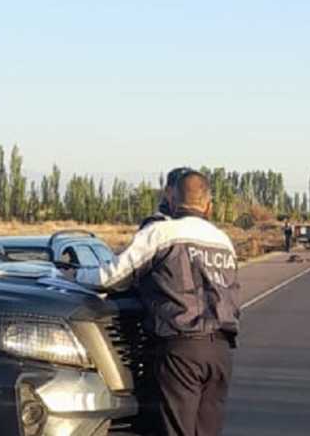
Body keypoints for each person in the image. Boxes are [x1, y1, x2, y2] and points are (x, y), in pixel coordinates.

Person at [77, 170, 240, 436]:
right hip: (221, 352)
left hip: (181, 348)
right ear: (208, 206)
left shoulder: (162, 233)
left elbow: (110, 277)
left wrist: (72, 275)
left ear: (173, 200)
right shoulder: (224, 242)